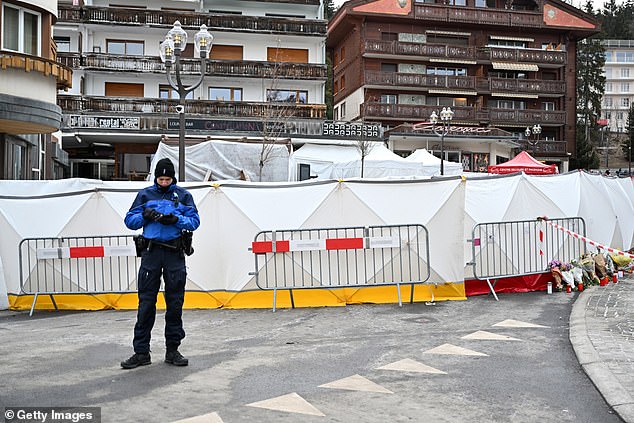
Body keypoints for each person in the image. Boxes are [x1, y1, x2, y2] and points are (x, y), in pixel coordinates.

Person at [121, 158, 200, 369]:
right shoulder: (145, 195)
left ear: (173, 177)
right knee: (146, 303)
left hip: (174, 252)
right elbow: (130, 221)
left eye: (168, 178)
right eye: (161, 178)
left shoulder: (183, 196)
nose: (164, 182)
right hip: (151, 252)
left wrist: (176, 220)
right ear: (156, 177)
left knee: (175, 302)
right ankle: (141, 352)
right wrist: (146, 216)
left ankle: (172, 350)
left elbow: (195, 221)